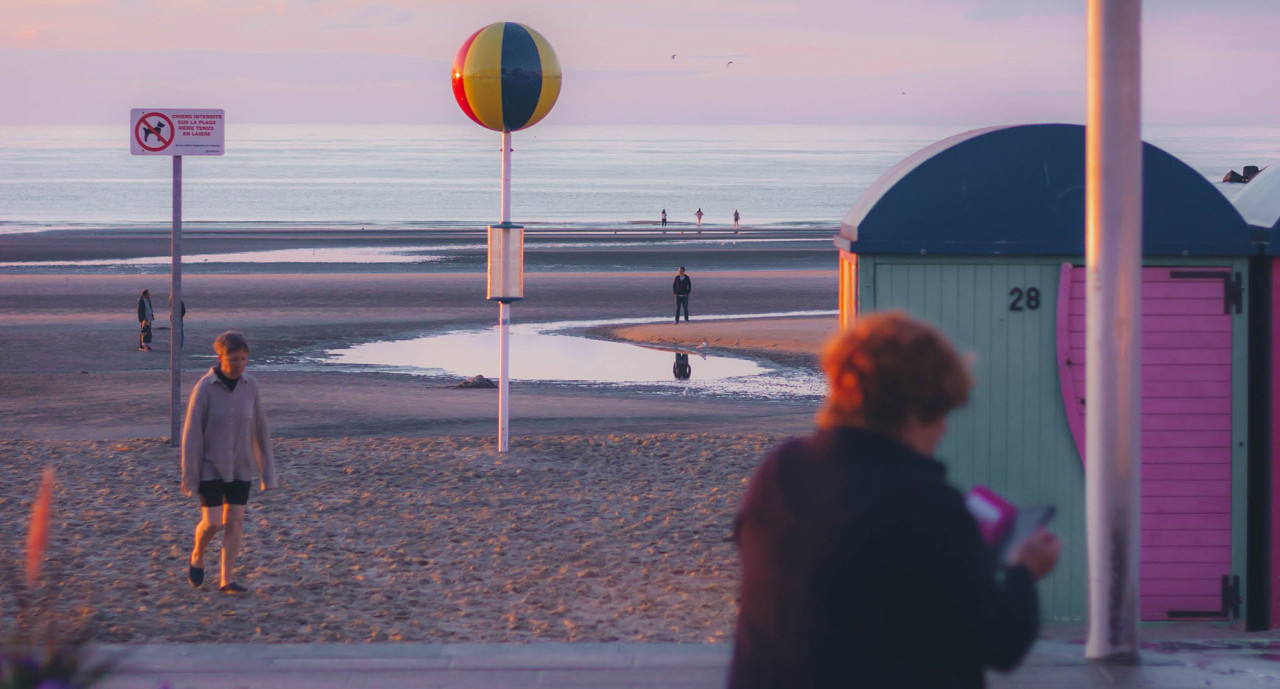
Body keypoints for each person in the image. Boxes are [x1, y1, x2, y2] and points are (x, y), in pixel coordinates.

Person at [728, 311, 1060, 689]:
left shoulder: (780, 472)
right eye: (942, 410)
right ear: (916, 412)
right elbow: (1002, 643)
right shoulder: (929, 505)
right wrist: (1024, 571)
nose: (945, 427)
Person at [181, 331, 278, 594]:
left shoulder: (251, 387)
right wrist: (190, 475)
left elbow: (260, 430)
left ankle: (226, 579)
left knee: (234, 520)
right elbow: (191, 435)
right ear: (220, 357)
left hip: (241, 467)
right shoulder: (204, 388)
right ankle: (198, 554)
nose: (240, 364)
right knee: (212, 522)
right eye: (234, 359)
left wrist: (267, 473)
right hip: (210, 467)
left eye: (244, 359)